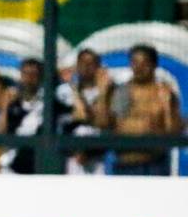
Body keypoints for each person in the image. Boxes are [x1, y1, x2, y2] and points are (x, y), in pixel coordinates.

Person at [102, 44, 182, 176]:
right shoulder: (122, 92)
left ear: (154, 65)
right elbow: (109, 125)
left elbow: (173, 131)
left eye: (144, 63)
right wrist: (104, 94)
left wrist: (167, 106)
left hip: (155, 165)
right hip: (125, 164)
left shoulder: (163, 93)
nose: (139, 68)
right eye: (135, 62)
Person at [56, 49, 114, 175]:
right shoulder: (64, 90)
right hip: (71, 158)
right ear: (76, 66)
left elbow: (103, 121)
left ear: (99, 67)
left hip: (99, 158)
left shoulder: (109, 91)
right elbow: (80, 115)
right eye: (82, 63)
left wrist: (103, 92)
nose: (86, 67)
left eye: (91, 63)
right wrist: (74, 88)